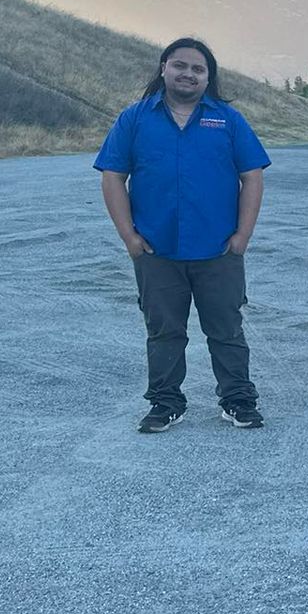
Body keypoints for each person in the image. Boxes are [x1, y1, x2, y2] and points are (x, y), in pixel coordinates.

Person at [95, 37, 271, 433]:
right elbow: (112, 177)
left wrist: (242, 236)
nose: (188, 74)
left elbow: (252, 176)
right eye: (181, 65)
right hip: (157, 251)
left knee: (226, 330)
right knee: (163, 333)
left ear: (209, 78)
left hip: (218, 250)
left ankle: (238, 400)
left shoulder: (227, 120)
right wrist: (130, 238)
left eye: (198, 69)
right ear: (163, 68)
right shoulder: (135, 119)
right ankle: (165, 403)